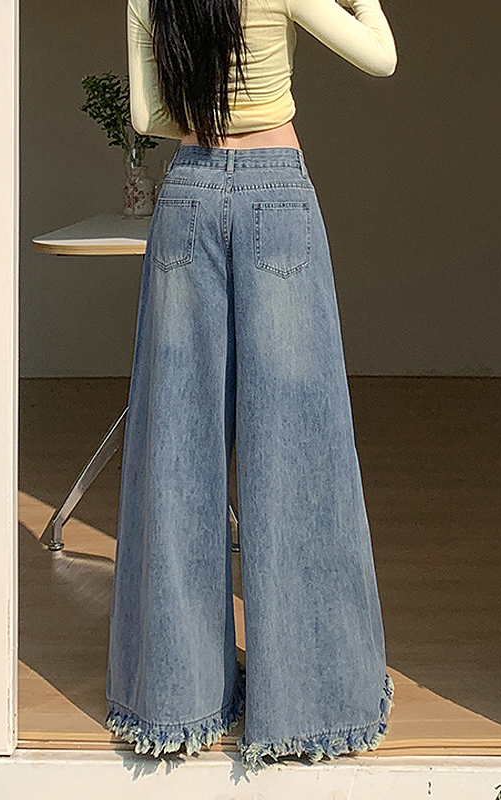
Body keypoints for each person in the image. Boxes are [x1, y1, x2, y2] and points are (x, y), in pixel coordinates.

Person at [104, 0, 398, 772]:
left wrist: (208, 111)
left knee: (176, 451)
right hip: (276, 196)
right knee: (297, 451)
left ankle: (176, 702)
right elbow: (381, 56)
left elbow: (145, 116)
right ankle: (313, 705)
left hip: (187, 197)